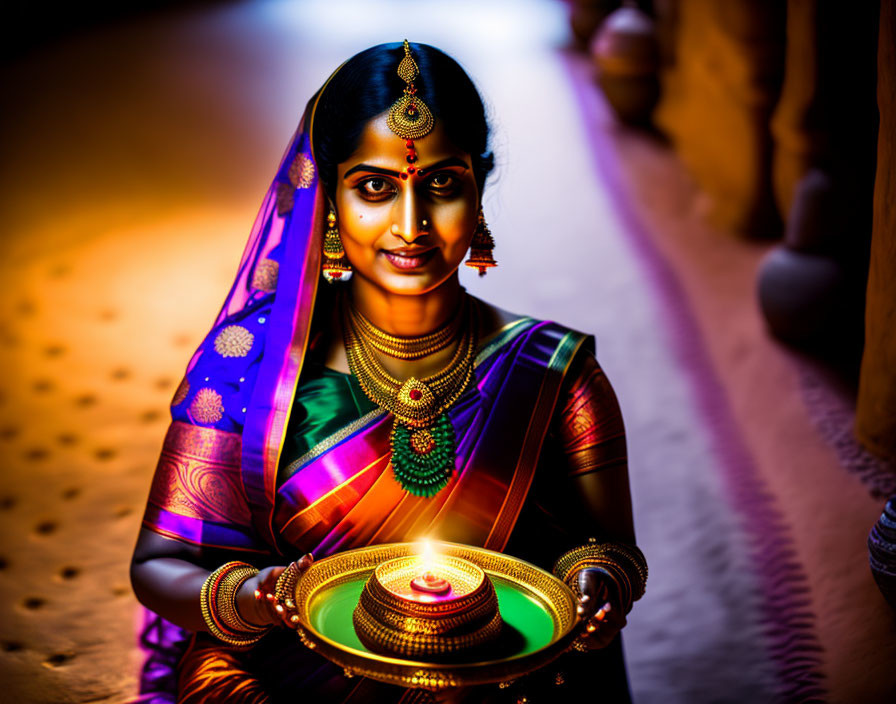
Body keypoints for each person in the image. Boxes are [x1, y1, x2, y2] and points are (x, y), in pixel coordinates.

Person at [129, 41, 647, 704]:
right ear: (331, 199)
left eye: (442, 185)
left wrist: (595, 584)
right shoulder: (252, 365)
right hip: (291, 671)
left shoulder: (554, 372)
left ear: (478, 189)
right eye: (375, 187)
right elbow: (158, 566)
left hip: (491, 673)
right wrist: (255, 598)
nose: (411, 226)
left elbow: (607, 550)